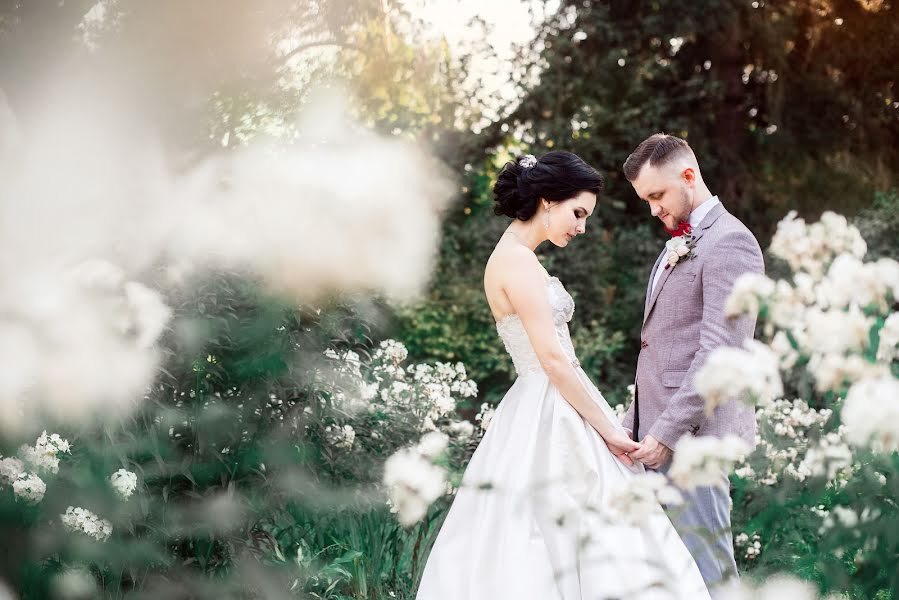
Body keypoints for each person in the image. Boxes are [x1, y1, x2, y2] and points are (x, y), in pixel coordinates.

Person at [416, 151, 709, 599]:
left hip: (549, 398)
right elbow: (553, 361)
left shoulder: (516, 257)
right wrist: (610, 432)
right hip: (549, 401)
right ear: (548, 200)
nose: (581, 227)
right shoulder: (516, 261)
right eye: (578, 213)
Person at [621, 134, 764, 597]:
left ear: (688, 175)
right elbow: (659, 349)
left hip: (693, 442)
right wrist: (635, 424)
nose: (653, 210)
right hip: (656, 435)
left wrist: (664, 433)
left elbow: (721, 354)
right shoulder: (676, 244)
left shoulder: (731, 242)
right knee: (668, 577)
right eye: (646, 200)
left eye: (657, 195)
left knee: (711, 575)